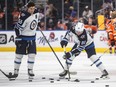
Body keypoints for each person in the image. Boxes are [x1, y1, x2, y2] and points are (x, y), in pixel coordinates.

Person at [11, 2, 44, 80]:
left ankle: (30, 70)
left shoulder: (36, 13)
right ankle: (16, 71)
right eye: (30, 8)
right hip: (23, 39)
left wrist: (38, 24)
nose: (32, 10)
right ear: (27, 8)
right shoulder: (23, 17)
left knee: (32, 55)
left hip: (32, 39)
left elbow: (37, 19)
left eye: (33, 8)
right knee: (19, 56)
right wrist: (18, 38)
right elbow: (17, 28)